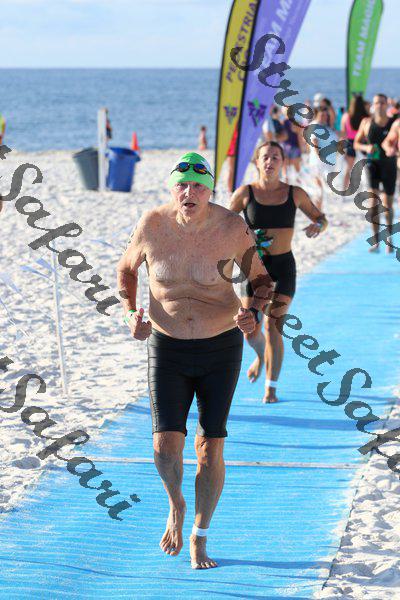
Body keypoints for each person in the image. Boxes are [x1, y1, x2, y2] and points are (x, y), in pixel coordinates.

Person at [117, 152, 273, 569]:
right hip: (166, 346)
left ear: (210, 191)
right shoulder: (152, 225)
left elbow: (262, 281)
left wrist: (252, 312)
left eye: (198, 186)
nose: (190, 192)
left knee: (209, 449)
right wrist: (131, 314)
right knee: (164, 448)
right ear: (172, 188)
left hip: (220, 347)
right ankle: (176, 503)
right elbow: (127, 270)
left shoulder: (231, 227)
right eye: (182, 185)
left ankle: (200, 536)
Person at [229, 142, 328, 404]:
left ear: (283, 162)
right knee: (250, 329)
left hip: (283, 268)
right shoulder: (245, 193)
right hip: (254, 270)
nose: (270, 162)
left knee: (274, 325)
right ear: (257, 162)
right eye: (265, 157)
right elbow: (224, 225)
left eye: (275, 157)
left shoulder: (294, 193)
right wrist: (242, 236)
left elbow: (321, 218)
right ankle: (260, 357)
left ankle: (270, 387)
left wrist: (318, 226)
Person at [354, 94, 398, 253]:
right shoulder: (366, 122)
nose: (379, 105)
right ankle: (376, 241)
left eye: (382, 103)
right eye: (376, 103)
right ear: (373, 105)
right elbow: (356, 143)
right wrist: (366, 147)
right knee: (373, 204)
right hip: (372, 165)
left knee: (388, 205)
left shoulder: (394, 123)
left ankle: (390, 238)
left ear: (387, 105)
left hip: (389, 166)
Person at [309, 108, 339, 209]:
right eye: (322, 115)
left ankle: (319, 210)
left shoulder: (326, 127)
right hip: (318, 162)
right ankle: (317, 210)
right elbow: (314, 142)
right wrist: (320, 156)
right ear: (317, 115)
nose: (324, 117)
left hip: (328, 162)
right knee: (319, 189)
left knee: (322, 189)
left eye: (326, 115)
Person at [340, 95, 369, 189]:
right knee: (365, 169)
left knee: (348, 169)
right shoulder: (365, 117)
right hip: (362, 143)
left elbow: (343, 134)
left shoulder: (346, 116)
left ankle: (343, 190)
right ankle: (366, 189)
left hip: (350, 143)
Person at [277, 107, 305, 181]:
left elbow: (299, 136)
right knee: (293, 165)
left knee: (287, 165)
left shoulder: (283, 122)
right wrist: (301, 148)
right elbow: (299, 136)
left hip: (288, 146)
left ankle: (289, 180)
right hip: (291, 146)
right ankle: (296, 180)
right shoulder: (294, 122)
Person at [227, 126, 238, 193]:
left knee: (234, 171)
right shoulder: (233, 126)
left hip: (236, 149)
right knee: (232, 170)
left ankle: (232, 190)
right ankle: (230, 191)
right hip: (232, 150)